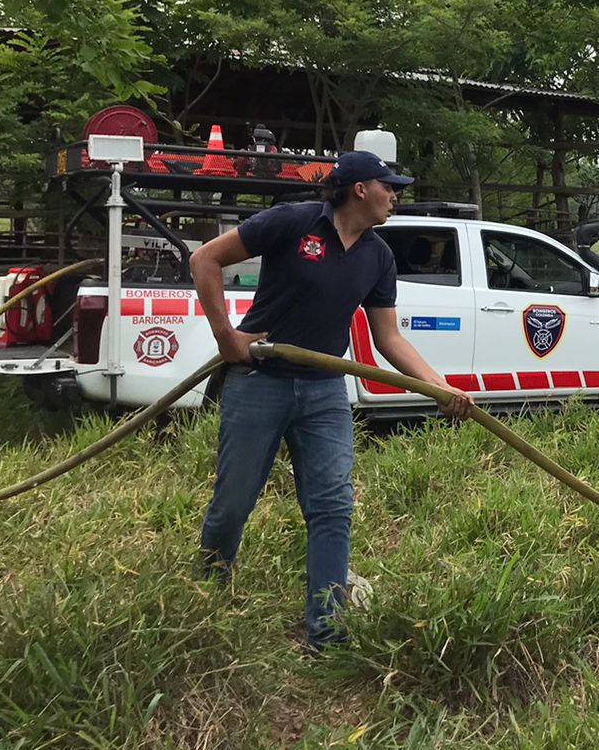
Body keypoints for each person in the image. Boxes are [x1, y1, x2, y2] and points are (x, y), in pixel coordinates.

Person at [190, 150, 473, 650]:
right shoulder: (293, 222)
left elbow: (389, 339)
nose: (396, 195)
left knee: (332, 507)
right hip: (261, 382)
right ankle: (202, 596)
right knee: (233, 503)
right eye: (389, 186)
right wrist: (226, 336)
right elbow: (204, 258)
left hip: (324, 390)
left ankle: (326, 631)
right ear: (360, 189)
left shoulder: (378, 256)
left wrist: (438, 385)